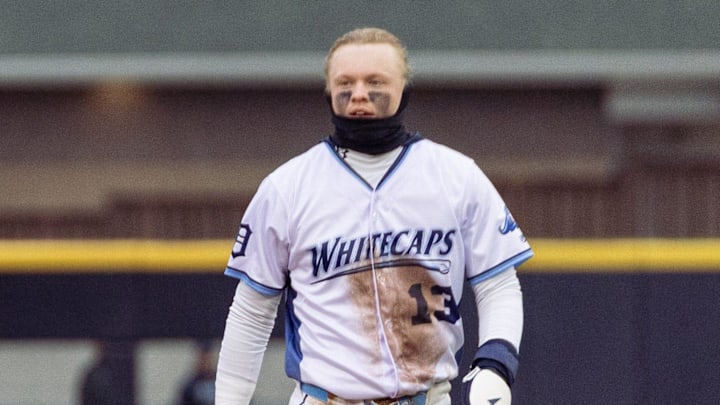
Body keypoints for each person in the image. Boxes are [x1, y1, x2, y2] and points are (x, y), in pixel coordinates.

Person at [215, 27, 533, 405]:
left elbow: (498, 284)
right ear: (328, 91)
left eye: (375, 81)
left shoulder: (456, 176)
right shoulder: (286, 188)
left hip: (427, 396)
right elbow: (252, 311)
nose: (360, 93)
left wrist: (496, 362)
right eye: (345, 82)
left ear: (404, 88)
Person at [178, 340, 216, 405]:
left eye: (207, 358)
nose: (205, 362)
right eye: (203, 358)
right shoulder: (191, 386)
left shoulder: (218, 380)